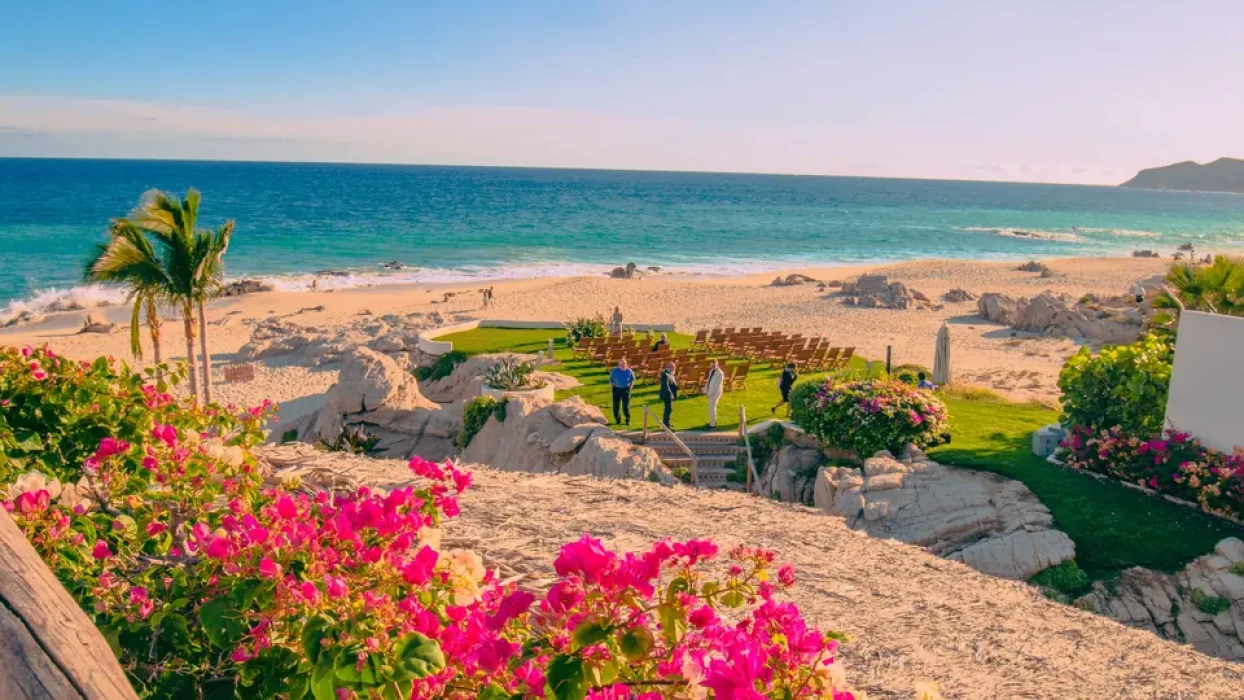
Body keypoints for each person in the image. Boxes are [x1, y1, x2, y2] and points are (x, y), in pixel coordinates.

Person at [609, 358, 636, 425]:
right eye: (622, 364)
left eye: (625, 364)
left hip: (625, 390)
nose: (624, 365)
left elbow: (633, 380)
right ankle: (618, 419)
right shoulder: (615, 371)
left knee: (625, 407)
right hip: (616, 389)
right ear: (619, 365)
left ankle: (628, 419)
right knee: (616, 406)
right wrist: (612, 387)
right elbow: (610, 380)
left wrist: (631, 387)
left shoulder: (629, 371)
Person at [705, 359, 725, 429]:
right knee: (711, 408)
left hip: (716, 393)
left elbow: (716, 386)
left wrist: (709, 394)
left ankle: (712, 425)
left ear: (717, 364)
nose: (712, 367)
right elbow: (709, 381)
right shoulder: (711, 371)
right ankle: (712, 422)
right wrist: (705, 390)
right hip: (711, 392)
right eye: (711, 366)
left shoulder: (720, 373)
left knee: (712, 408)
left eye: (713, 366)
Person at [658, 361, 679, 429]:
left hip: (668, 395)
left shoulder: (670, 374)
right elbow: (666, 386)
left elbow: (672, 383)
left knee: (669, 409)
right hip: (666, 395)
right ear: (669, 367)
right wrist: (671, 395)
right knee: (669, 409)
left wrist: (677, 386)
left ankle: (666, 423)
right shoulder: (665, 374)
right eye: (673, 367)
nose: (674, 368)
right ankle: (666, 425)